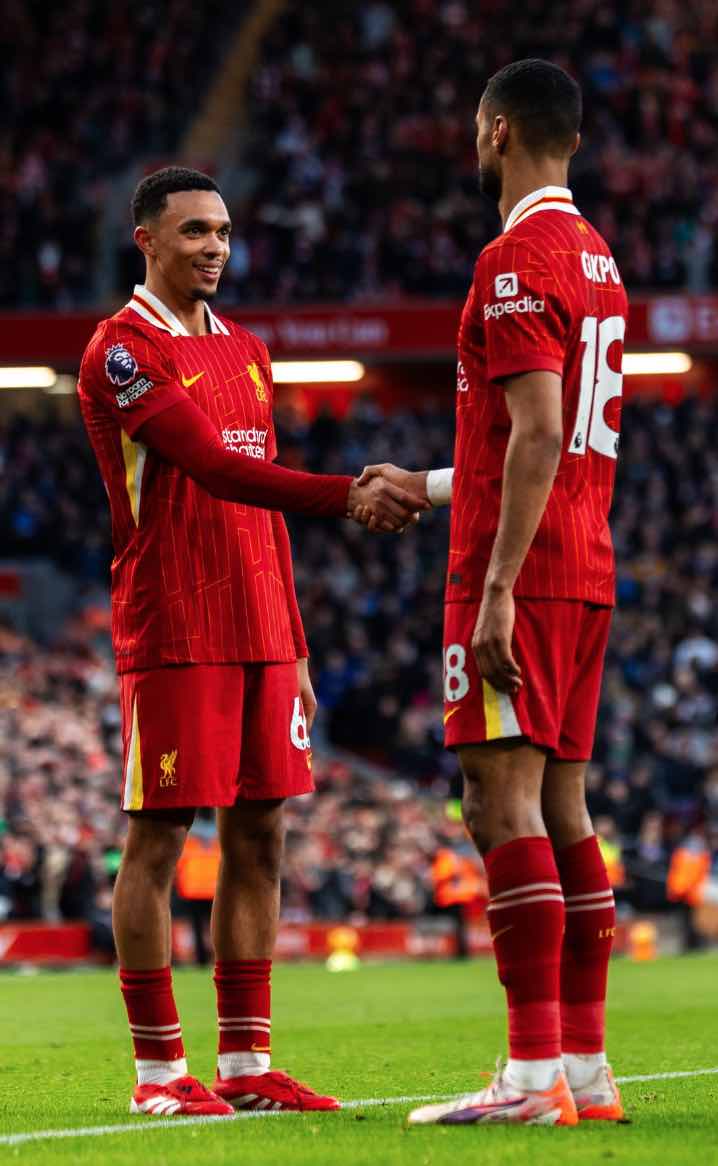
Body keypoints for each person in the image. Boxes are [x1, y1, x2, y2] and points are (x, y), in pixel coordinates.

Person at [77, 166, 426, 1119]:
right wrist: (349, 493)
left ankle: (245, 1064)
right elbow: (217, 470)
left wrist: (299, 644)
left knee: (262, 836)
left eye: (224, 231)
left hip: (263, 630)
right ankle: (158, 1075)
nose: (215, 247)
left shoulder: (250, 351)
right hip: (177, 625)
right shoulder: (119, 351)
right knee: (157, 839)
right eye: (194, 231)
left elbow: (259, 501)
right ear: (146, 240)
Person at [359, 59, 629, 1126]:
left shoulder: (514, 257)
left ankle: (527, 1076)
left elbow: (533, 428)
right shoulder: (598, 258)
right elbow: (536, 436)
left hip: (521, 570)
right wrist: (425, 487)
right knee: (561, 801)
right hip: (584, 557)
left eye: (477, 131)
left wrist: (499, 587)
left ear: (498, 129)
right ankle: (586, 1065)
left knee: (496, 799)